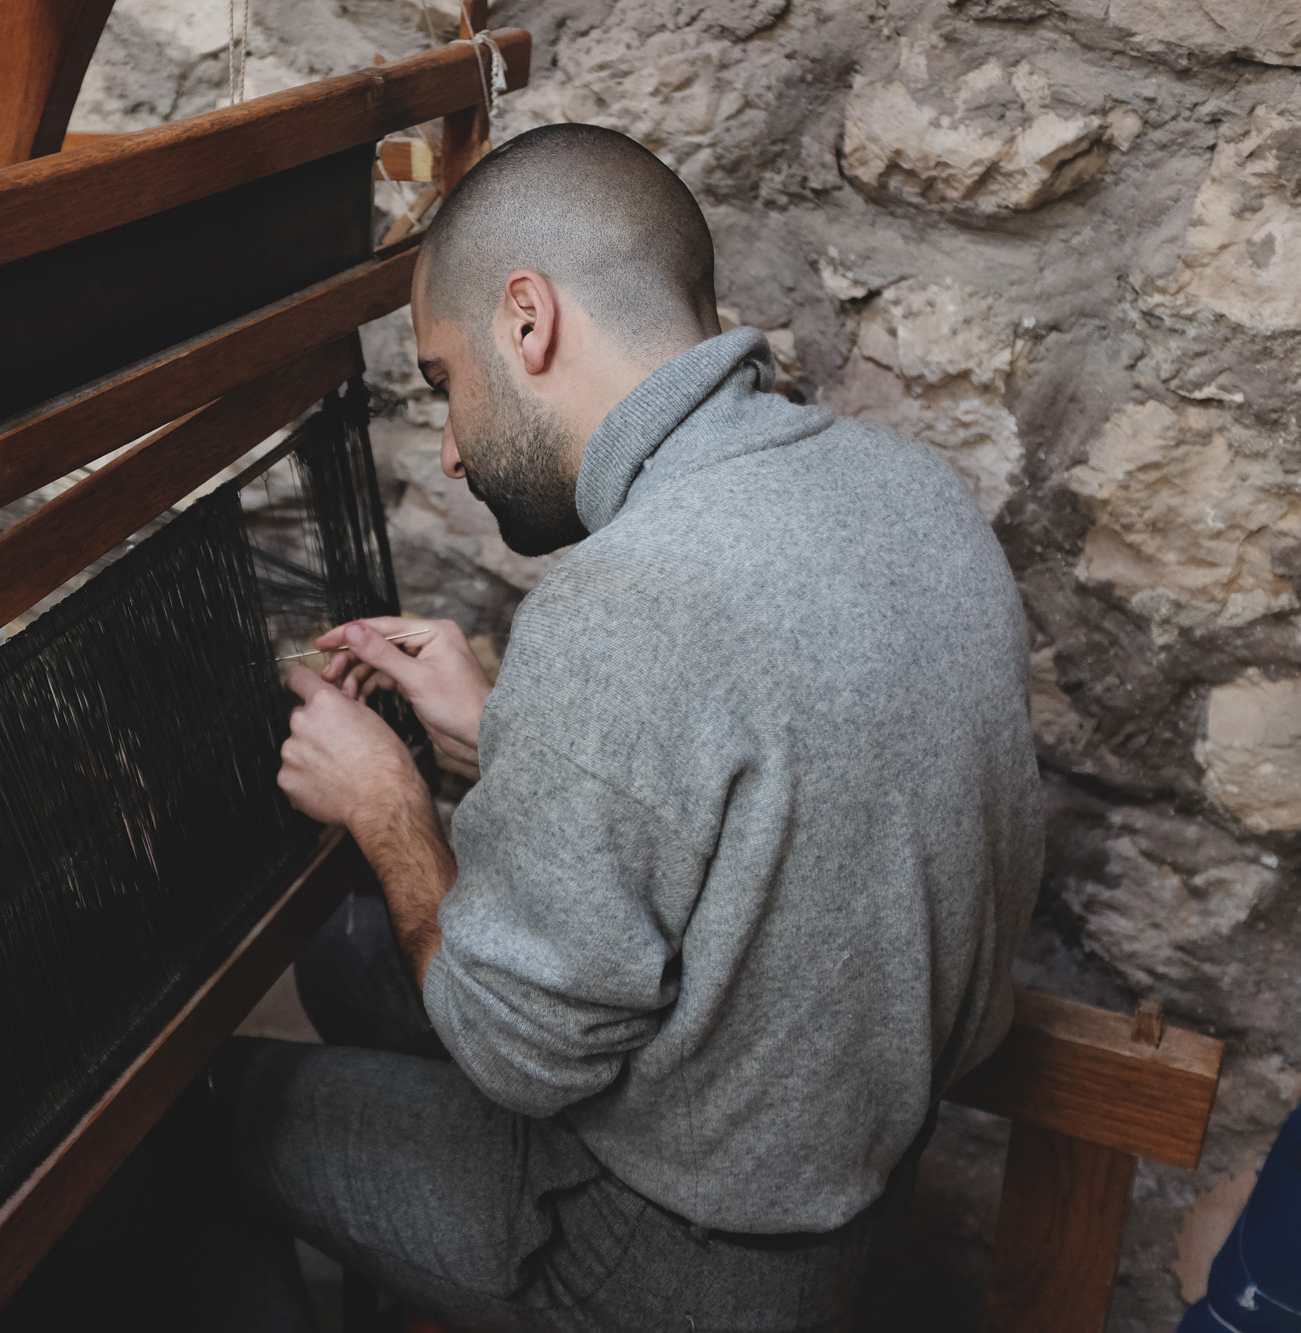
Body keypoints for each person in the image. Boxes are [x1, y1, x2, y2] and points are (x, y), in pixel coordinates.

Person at [218, 122, 1043, 1331]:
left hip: (670, 1256)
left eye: (445, 382)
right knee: (346, 962)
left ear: (526, 321)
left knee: (215, 1104)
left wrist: (391, 812)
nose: (445, 450)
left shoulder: (623, 603)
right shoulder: (912, 491)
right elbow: (745, 795)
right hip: (852, 1174)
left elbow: (515, 1056)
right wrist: (511, 731)